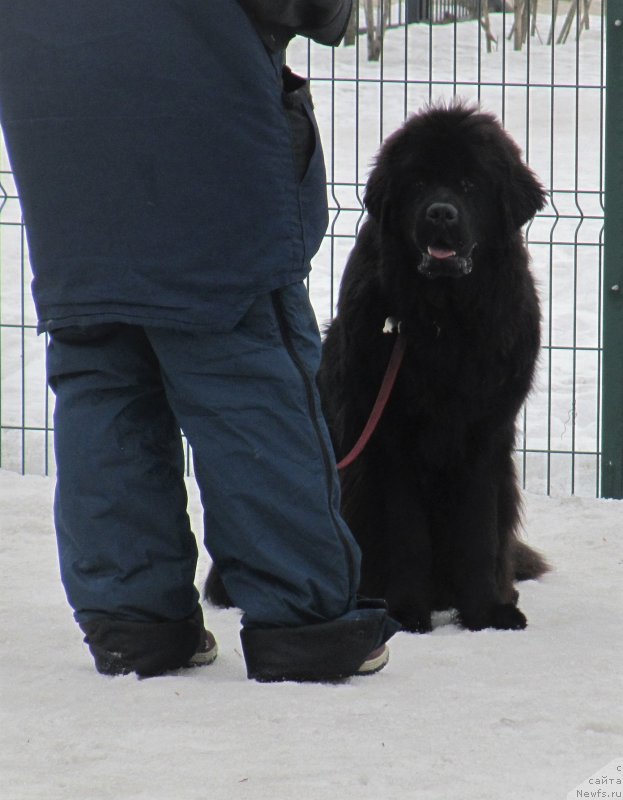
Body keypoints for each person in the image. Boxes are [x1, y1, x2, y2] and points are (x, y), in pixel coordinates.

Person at [0, 0, 399, 681]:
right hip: (199, 123)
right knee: (246, 369)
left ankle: (134, 626)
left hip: (58, 125)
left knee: (100, 367)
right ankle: (304, 623)